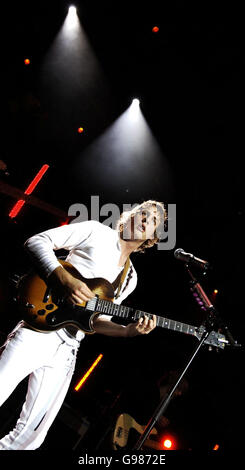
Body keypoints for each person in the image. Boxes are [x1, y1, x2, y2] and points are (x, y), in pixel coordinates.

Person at [0, 199, 166, 450]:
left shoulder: (130, 278)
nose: (145, 219)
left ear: (153, 236)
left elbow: (97, 321)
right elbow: (36, 241)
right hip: (37, 331)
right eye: (143, 213)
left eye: (153, 220)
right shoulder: (96, 231)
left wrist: (127, 331)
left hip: (68, 349)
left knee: (31, 437)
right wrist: (64, 279)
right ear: (129, 216)